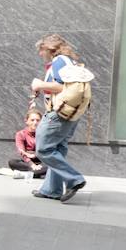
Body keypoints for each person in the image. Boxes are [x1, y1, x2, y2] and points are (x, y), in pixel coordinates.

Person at [30, 34, 87, 203]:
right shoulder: (70, 61)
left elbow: (61, 86)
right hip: (71, 113)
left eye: (41, 50)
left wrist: (39, 84)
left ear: (49, 49)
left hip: (58, 114)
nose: (40, 54)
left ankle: (74, 179)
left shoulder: (59, 61)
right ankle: (51, 189)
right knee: (58, 149)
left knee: (43, 149)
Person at [8, 108, 46, 178]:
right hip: (27, 161)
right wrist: (31, 164)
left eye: (38, 120)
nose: (35, 122)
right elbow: (21, 151)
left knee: (53, 166)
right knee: (12, 162)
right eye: (32, 120)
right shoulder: (20, 134)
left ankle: (25, 174)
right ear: (26, 121)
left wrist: (33, 156)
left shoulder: (44, 134)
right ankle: (35, 172)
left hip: (40, 161)